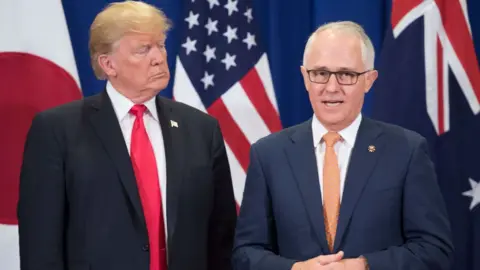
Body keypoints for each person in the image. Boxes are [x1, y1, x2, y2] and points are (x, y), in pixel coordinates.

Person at [17, 2, 237, 270]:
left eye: (161, 45)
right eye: (143, 50)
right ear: (108, 64)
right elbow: (41, 246)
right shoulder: (57, 130)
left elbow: (221, 236)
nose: (158, 57)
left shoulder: (202, 129)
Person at [232, 21, 453, 270]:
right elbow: (246, 253)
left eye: (346, 74)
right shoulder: (268, 154)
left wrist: (363, 266)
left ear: (369, 80)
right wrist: (296, 269)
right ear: (305, 77)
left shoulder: (406, 150)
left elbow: (434, 249)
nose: (331, 87)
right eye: (321, 73)